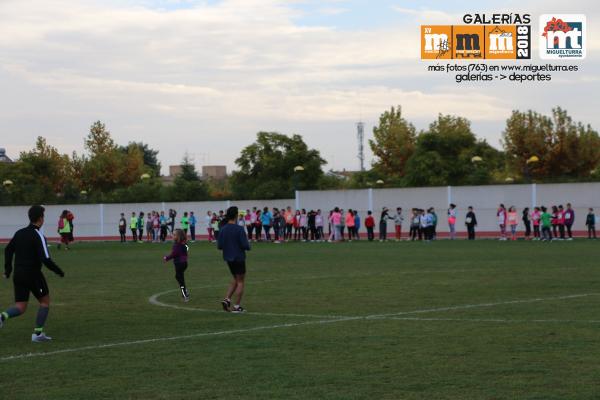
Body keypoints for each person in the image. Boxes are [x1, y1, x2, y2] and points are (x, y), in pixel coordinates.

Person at [1, 205, 65, 342]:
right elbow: (45, 259)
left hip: (18, 274)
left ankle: (2, 317)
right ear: (40, 218)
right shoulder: (38, 235)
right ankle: (37, 334)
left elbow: (8, 250)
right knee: (45, 301)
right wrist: (58, 271)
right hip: (33, 275)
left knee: (20, 306)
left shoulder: (19, 233)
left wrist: (8, 270)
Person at [218, 207, 251, 313]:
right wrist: (248, 245)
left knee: (235, 279)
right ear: (236, 215)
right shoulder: (239, 229)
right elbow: (245, 245)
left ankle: (227, 299)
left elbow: (219, 246)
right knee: (241, 281)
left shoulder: (223, 229)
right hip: (239, 258)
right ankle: (237, 306)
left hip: (228, 258)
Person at [163, 229, 190, 302]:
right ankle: (185, 291)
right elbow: (187, 249)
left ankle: (185, 294)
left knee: (180, 279)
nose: (172, 236)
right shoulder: (184, 244)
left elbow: (174, 254)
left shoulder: (176, 245)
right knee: (179, 277)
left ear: (178, 237)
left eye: (174, 235)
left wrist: (166, 258)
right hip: (184, 263)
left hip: (179, 264)